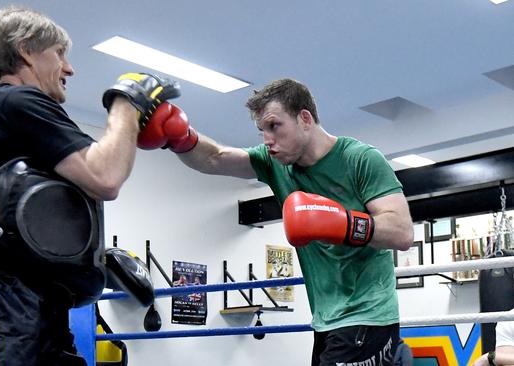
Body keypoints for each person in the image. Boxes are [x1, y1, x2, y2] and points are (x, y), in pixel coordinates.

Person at [0, 6, 179, 366]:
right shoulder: (18, 100)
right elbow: (105, 177)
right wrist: (126, 103)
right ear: (26, 51)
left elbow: (31, 205)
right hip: (3, 288)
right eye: (59, 54)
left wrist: (89, 256)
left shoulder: (3, 111)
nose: (69, 68)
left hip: (29, 289)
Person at [138, 79, 414, 365]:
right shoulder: (276, 165)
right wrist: (179, 137)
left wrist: (340, 223)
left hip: (368, 315)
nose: (267, 140)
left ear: (304, 118)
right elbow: (215, 158)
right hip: (325, 321)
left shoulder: (360, 159)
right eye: (262, 131)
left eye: (274, 126)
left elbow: (402, 232)